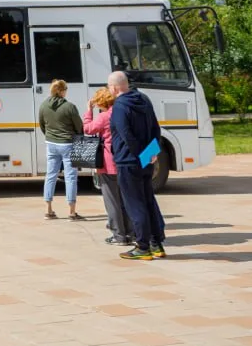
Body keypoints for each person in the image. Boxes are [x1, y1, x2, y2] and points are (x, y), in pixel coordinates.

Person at [108, 70, 167, 260]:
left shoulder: (120, 106)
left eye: (109, 86)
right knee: (148, 200)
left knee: (135, 203)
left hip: (127, 161)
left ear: (115, 87)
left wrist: (138, 154)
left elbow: (126, 135)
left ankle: (142, 247)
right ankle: (156, 243)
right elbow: (155, 129)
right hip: (145, 161)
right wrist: (149, 155)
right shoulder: (144, 99)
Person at [83, 87, 133, 245]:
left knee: (112, 201)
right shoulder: (121, 113)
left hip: (108, 164)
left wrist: (88, 112)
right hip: (124, 162)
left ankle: (118, 236)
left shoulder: (104, 117)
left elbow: (88, 129)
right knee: (125, 200)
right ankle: (130, 233)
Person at [38, 78, 84, 220]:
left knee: (50, 175)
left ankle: (48, 210)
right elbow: (79, 126)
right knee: (70, 177)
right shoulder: (70, 107)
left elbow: (42, 124)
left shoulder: (44, 105)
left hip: (51, 144)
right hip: (68, 144)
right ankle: (71, 211)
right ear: (62, 91)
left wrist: (50, 135)